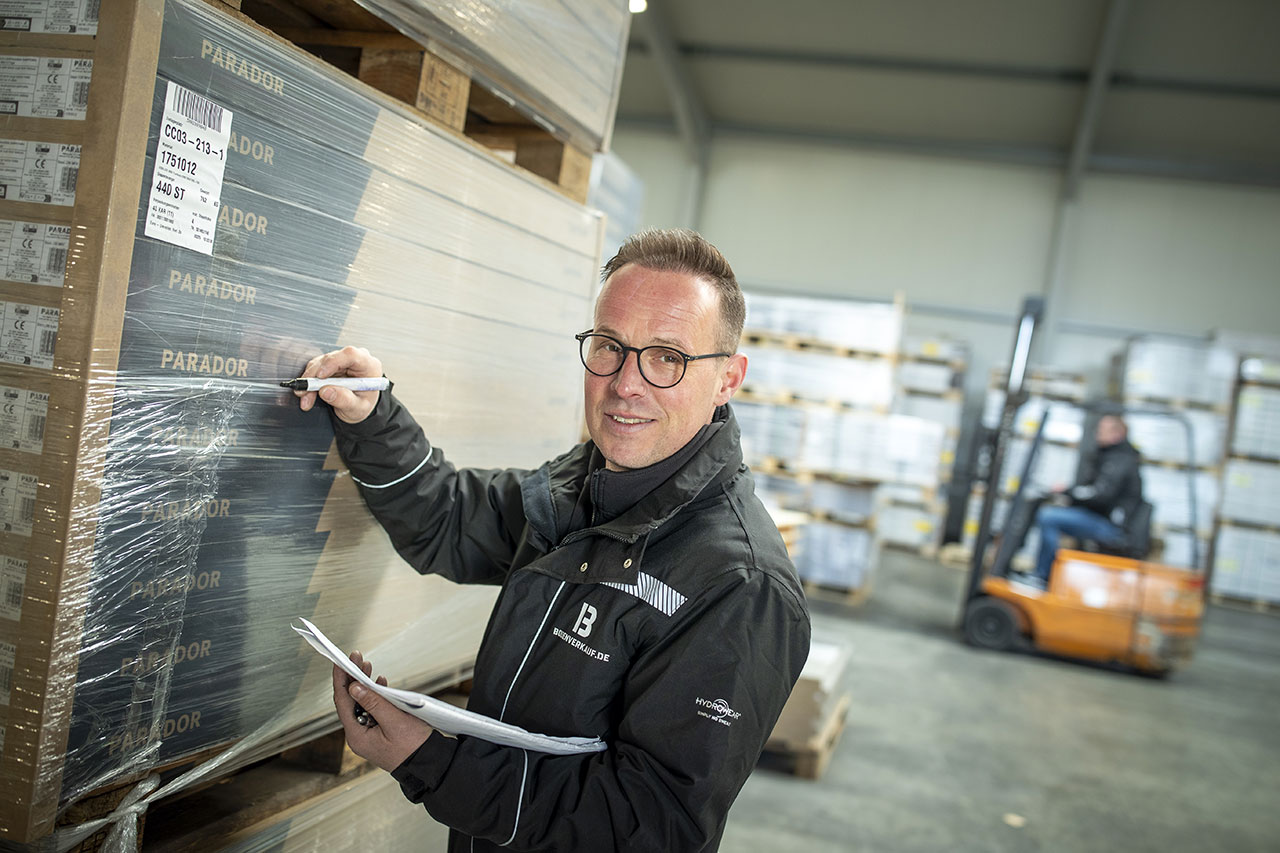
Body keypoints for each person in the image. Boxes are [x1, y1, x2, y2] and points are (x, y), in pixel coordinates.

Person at [295, 229, 811, 852]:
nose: (626, 383)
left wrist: (434, 763)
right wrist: (371, 415)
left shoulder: (739, 586)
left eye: (667, 358)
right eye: (610, 347)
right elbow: (447, 520)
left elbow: (655, 826)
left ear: (728, 378)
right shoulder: (583, 486)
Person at [1027, 414, 1143, 587]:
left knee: (1049, 516)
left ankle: (1042, 577)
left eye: (1102, 430)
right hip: (1105, 519)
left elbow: (1100, 496)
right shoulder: (1111, 457)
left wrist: (1068, 492)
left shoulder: (1119, 461)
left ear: (1117, 434)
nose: (1097, 434)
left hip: (1113, 528)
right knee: (1055, 513)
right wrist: (1071, 495)